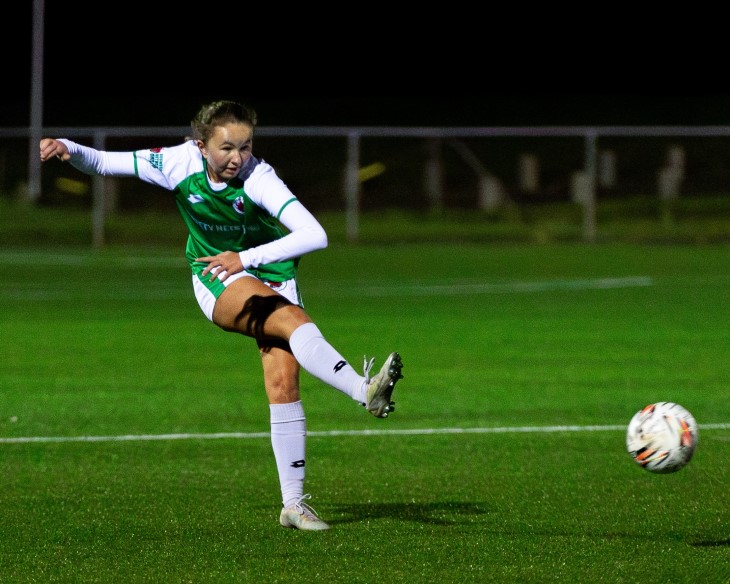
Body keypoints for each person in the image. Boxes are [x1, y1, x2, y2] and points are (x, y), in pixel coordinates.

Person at [39, 99, 404, 532]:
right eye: (227, 148)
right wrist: (67, 146)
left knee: (283, 381)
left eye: (246, 146)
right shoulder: (174, 163)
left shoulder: (259, 177)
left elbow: (315, 235)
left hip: (268, 271)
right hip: (215, 275)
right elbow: (103, 162)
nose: (238, 157)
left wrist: (246, 257)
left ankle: (293, 505)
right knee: (292, 323)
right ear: (201, 146)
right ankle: (365, 392)